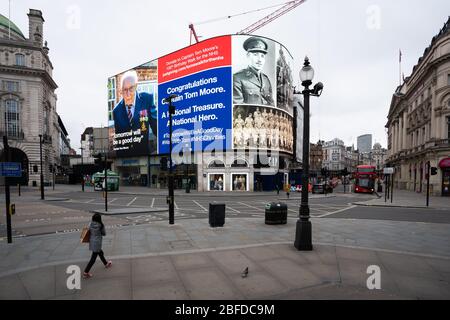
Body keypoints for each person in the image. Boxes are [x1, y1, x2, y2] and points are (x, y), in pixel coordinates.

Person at [113, 70, 157, 136]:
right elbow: (119, 138)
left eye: (131, 89)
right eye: (125, 89)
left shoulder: (147, 99)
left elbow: (156, 128)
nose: (128, 94)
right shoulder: (116, 111)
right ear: (121, 90)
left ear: (136, 86)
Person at [233, 37, 274, 106]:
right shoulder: (238, 78)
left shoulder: (266, 79)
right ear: (248, 56)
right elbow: (238, 108)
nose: (259, 60)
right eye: (255, 55)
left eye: (262, 56)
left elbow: (272, 104)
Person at [83, 213, 112, 278]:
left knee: (101, 253)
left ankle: (106, 263)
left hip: (92, 241)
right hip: (97, 242)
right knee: (93, 258)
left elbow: (88, 230)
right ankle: (86, 272)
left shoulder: (90, 224)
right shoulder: (101, 225)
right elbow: (104, 233)